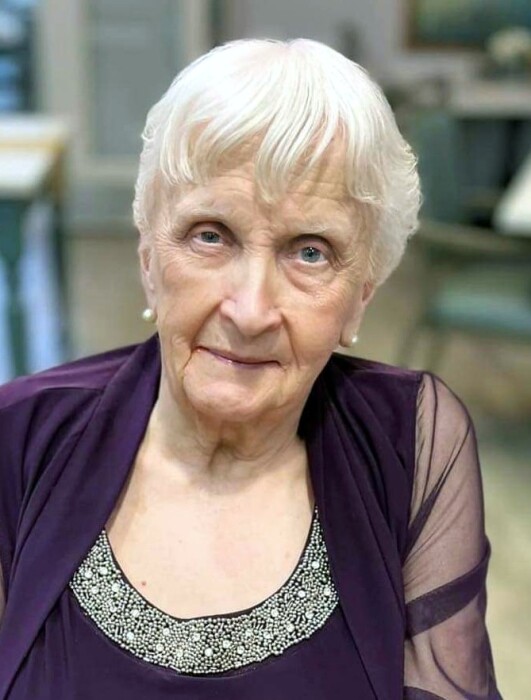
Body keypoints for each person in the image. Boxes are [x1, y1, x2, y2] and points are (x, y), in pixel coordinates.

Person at [0, 38, 501, 699]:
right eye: (210, 235)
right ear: (149, 260)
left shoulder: (412, 440)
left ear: (362, 295)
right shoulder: (19, 437)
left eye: (310, 252)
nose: (251, 310)